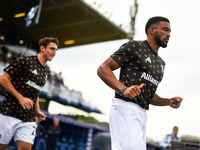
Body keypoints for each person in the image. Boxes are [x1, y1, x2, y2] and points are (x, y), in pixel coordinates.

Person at [97, 16, 183, 150]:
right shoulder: (135, 46)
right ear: (152, 30)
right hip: (125, 107)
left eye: (170, 31)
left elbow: (149, 95)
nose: (169, 34)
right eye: (165, 30)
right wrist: (124, 89)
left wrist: (167, 101)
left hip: (142, 114)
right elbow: (103, 69)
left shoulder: (161, 64)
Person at [0, 37, 59, 150]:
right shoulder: (25, 60)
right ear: (42, 48)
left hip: (28, 117)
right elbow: (3, 79)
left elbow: (35, 92)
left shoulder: (46, 71)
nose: (54, 52)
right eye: (52, 49)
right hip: (10, 113)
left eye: (56, 50)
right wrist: (20, 98)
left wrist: (37, 110)